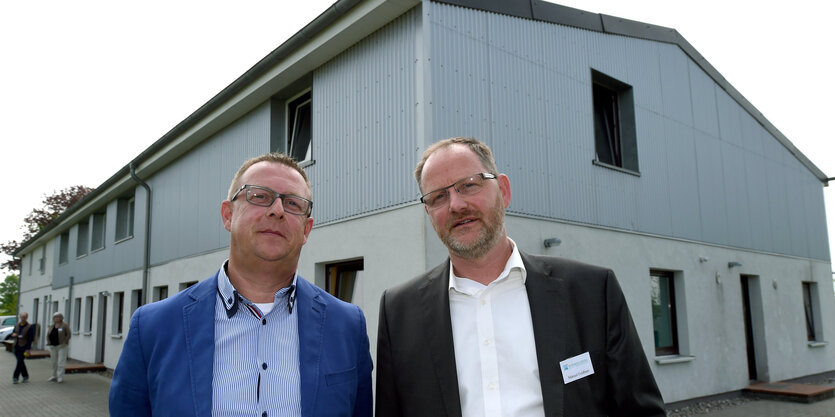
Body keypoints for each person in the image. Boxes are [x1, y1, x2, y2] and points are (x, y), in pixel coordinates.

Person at [376, 137, 666, 417]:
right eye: (439, 196)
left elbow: (640, 410)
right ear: (429, 212)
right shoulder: (399, 313)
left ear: (503, 190)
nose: (456, 205)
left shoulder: (591, 292)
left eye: (469, 185)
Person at [109, 152, 373, 417]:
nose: (277, 210)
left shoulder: (348, 326)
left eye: (293, 203)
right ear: (228, 215)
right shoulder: (154, 327)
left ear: (306, 229)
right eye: (259, 196)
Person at [46, 311, 71, 383]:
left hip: (62, 346)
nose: (56, 319)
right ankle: (54, 375)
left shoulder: (64, 325)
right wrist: (48, 342)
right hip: (53, 346)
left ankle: (60, 376)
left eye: (58, 317)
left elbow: (68, 335)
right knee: (53, 362)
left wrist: (65, 342)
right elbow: (48, 334)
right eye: (55, 317)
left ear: (61, 318)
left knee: (61, 362)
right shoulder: (52, 326)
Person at [11, 312, 35, 384]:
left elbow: (30, 339)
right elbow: (13, 333)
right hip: (16, 346)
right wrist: (13, 335)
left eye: (24, 317)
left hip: (24, 346)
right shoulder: (17, 325)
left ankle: (15, 377)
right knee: (20, 362)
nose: (23, 318)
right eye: (21, 317)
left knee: (19, 361)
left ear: (26, 318)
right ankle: (25, 376)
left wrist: (28, 349)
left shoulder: (30, 327)